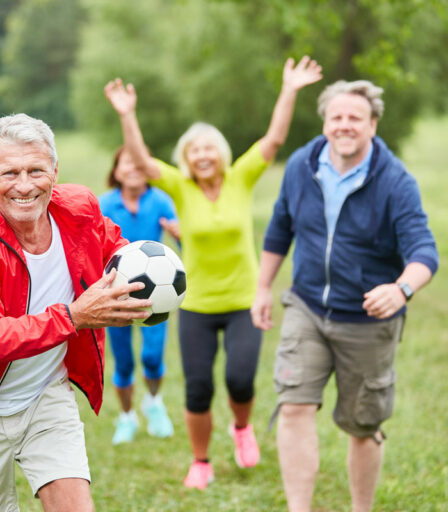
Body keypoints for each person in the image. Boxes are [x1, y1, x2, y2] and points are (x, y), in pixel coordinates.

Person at [0, 113, 153, 512]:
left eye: (36, 170)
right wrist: (73, 317)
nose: (24, 186)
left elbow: (117, 251)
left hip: (45, 396)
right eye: (10, 173)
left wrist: (155, 278)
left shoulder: (79, 210)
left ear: (55, 172)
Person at [105, 56, 323, 490]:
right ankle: (200, 461)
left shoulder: (241, 177)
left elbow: (275, 138)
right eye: (194, 151)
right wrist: (128, 116)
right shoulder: (180, 188)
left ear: (220, 154)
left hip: (243, 301)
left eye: (208, 148)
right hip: (198, 306)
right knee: (198, 389)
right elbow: (145, 163)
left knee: (241, 380)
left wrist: (290, 89)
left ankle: (241, 428)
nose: (202, 156)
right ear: (186, 160)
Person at [251, 80, 439, 512]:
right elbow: (281, 228)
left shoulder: (395, 181)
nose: (344, 125)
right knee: (294, 406)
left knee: (363, 425)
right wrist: (263, 287)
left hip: (368, 321)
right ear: (325, 122)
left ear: (373, 125)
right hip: (308, 307)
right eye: (336, 117)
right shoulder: (303, 164)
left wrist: (401, 288)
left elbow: (424, 251)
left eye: (355, 117)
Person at [97, 147, 180, 445]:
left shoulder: (161, 201)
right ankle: (127, 416)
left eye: (138, 163)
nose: (132, 168)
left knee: (152, 356)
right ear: (116, 170)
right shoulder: (103, 204)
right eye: (125, 163)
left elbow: (181, 250)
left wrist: (180, 235)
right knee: (123, 362)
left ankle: (154, 403)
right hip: (116, 296)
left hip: (157, 296)